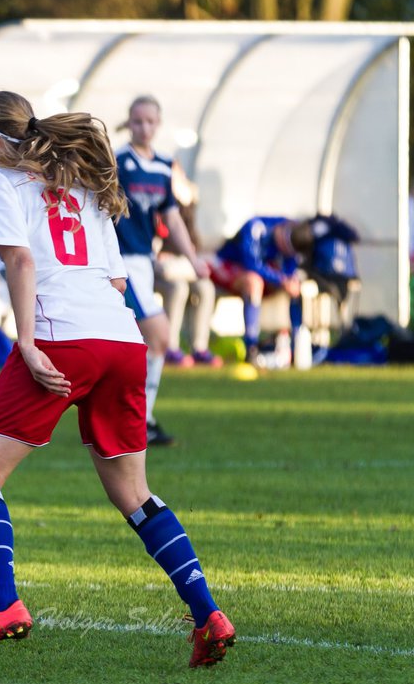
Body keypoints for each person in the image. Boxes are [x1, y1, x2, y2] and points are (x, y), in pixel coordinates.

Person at [0, 90, 235, 669]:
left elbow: (22, 262)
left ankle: (1, 605)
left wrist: (25, 342)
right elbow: (119, 283)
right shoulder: (85, 185)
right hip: (122, 344)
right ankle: (207, 614)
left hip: (59, 340)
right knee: (134, 494)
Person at [113, 96, 210, 446]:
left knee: (147, 344)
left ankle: (139, 419)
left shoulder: (165, 166)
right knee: (159, 337)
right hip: (120, 262)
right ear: (130, 122)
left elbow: (171, 218)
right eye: (138, 121)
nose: (144, 128)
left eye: (151, 121)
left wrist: (193, 258)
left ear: (159, 124)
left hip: (143, 263)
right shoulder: (118, 161)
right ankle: (139, 420)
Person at [209, 216, 310, 365]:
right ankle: (251, 346)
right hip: (226, 268)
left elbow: (289, 273)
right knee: (253, 282)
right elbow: (251, 264)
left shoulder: (294, 234)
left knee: (296, 285)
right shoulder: (256, 228)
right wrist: (281, 280)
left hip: (261, 278)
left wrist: (289, 282)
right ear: (282, 232)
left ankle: (297, 343)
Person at [154, 160, 220, 368]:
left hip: (183, 263)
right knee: (178, 287)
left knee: (205, 288)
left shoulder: (187, 201)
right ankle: (170, 347)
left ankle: (199, 347)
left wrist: (185, 201)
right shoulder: (156, 198)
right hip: (159, 265)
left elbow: (191, 237)